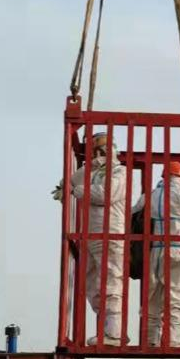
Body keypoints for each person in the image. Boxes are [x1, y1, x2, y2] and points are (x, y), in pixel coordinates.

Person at [53, 130, 127, 344]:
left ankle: (114, 333)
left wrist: (77, 190)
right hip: (91, 234)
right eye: (95, 149)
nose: (97, 154)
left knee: (111, 280)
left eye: (100, 148)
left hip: (110, 232)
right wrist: (65, 187)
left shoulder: (119, 172)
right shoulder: (90, 171)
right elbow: (66, 183)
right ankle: (107, 329)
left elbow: (106, 194)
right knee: (92, 284)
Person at [134, 160, 180, 347]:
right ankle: (175, 339)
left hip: (155, 250)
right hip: (178, 249)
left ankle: (150, 341)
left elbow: (133, 217)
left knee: (152, 296)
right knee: (176, 295)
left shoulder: (150, 195)